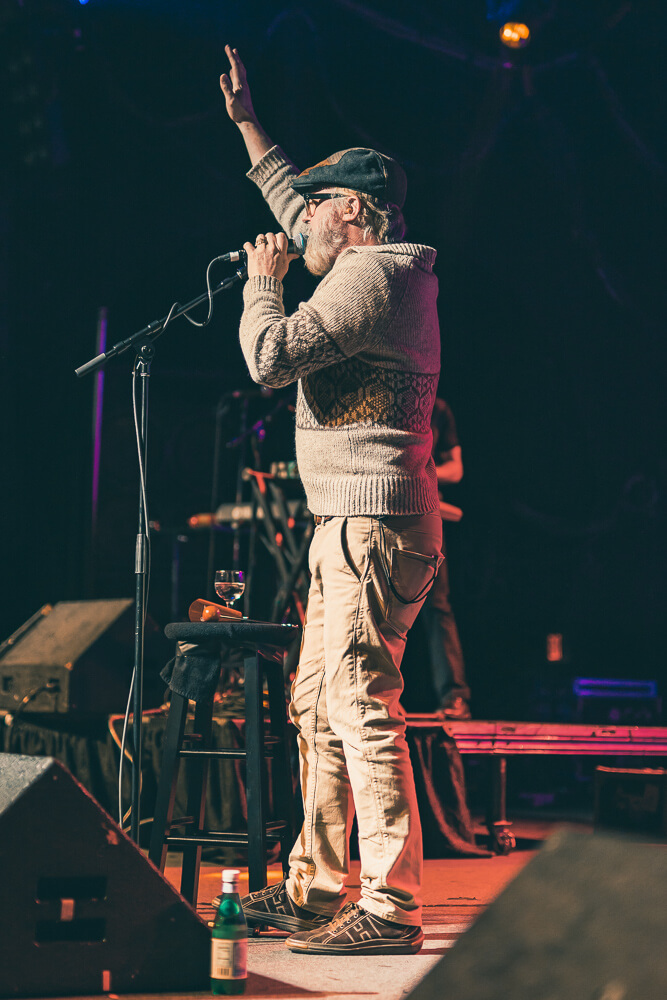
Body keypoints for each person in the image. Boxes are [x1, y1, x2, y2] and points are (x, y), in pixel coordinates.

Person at [219, 46, 443, 956]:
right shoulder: (366, 256)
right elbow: (297, 212)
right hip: (350, 522)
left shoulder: (371, 277)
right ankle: (314, 886)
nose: (297, 221)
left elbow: (269, 360)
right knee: (318, 704)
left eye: (316, 207)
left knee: (359, 702)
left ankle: (389, 905)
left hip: (370, 523)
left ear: (351, 213)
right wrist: (247, 124)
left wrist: (264, 284)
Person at [424, 398, 472, 719]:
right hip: (383, 510)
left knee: (437, 605)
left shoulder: (438, 409)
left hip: (426, 515)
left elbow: (456, 469)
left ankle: (455, 696)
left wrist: (420, 473)